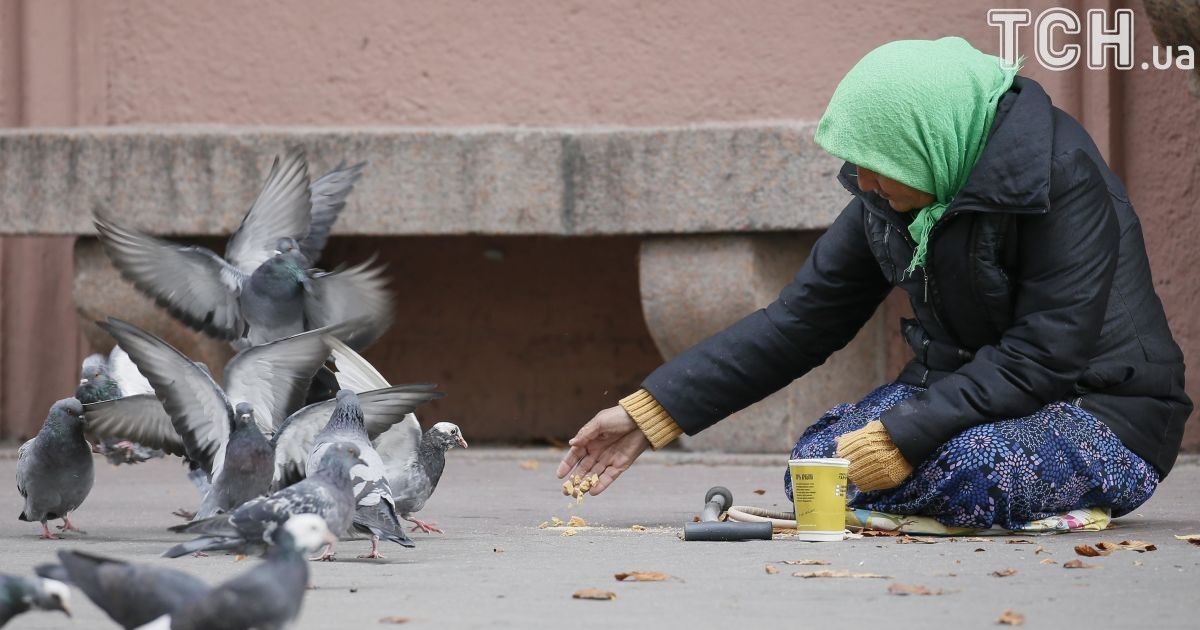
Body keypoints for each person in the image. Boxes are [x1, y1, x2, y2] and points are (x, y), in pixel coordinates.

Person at [556, 37, 1192, 529]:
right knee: (818, 466)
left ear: (927, 142)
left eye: (876, 162)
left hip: (1102, 412)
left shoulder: (1064, 179)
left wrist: (905, 433)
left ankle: (1041, 499)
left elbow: (1044, 355)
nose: (861, 181)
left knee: (963, 470)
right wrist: (651, 413)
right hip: (971, 400)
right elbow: (800, 321)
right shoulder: (893, 196)